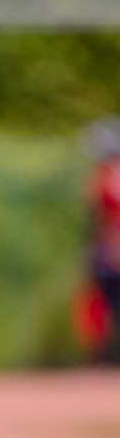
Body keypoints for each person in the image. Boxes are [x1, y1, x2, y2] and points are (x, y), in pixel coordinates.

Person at [86, 118, 120, 364]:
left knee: (105, 300)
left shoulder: (108, 176)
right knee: (102, 301)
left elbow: (107, 218)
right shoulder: (104, 175)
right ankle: (102, 357)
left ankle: (102, 358)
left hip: (110, 246)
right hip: (106, 245)